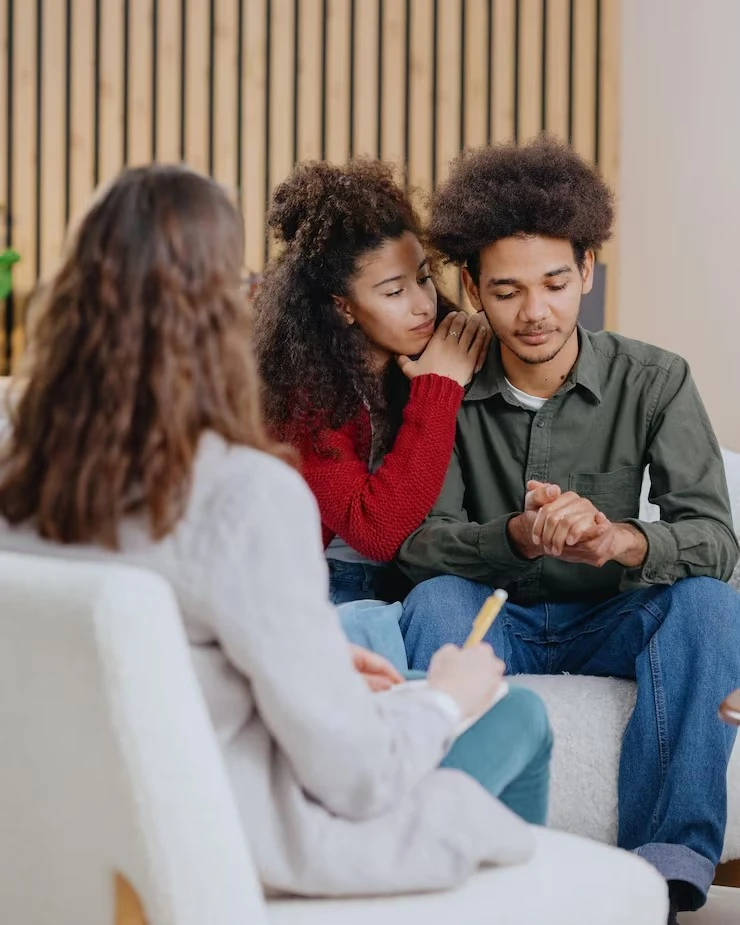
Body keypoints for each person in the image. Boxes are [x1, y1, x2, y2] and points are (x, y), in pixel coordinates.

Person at [0, 164, 553, 898]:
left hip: (85, 838)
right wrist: (447, 697)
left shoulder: (21, 486)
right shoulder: (245, 491)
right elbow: (357, 775)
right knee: (516, 713)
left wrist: (310, 656)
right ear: (213, 317)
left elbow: (148, 648)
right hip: (253, 841)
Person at [396, 136, 740, 923]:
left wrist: (623, 539)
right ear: (472, 288)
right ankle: (465, 857)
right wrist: (514, 536)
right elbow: (413, 545)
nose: (535, 312)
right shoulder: (445, 384)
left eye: (555, 283)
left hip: (613, 613)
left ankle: (664, 870)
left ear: (588, 270)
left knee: (711, 605)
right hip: (496, 612)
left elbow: (716, 540)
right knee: (434, 601)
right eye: (507, 290)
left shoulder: (655, 379)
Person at [253, 160, 490, 606]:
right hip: (322, 586)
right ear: (343, 306)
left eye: (423, 278)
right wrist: (438, 387)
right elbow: (376, 531)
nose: (423, 305)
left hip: (419, 579)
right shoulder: (303, 397)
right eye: (394, 292)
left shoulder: (440, 345)